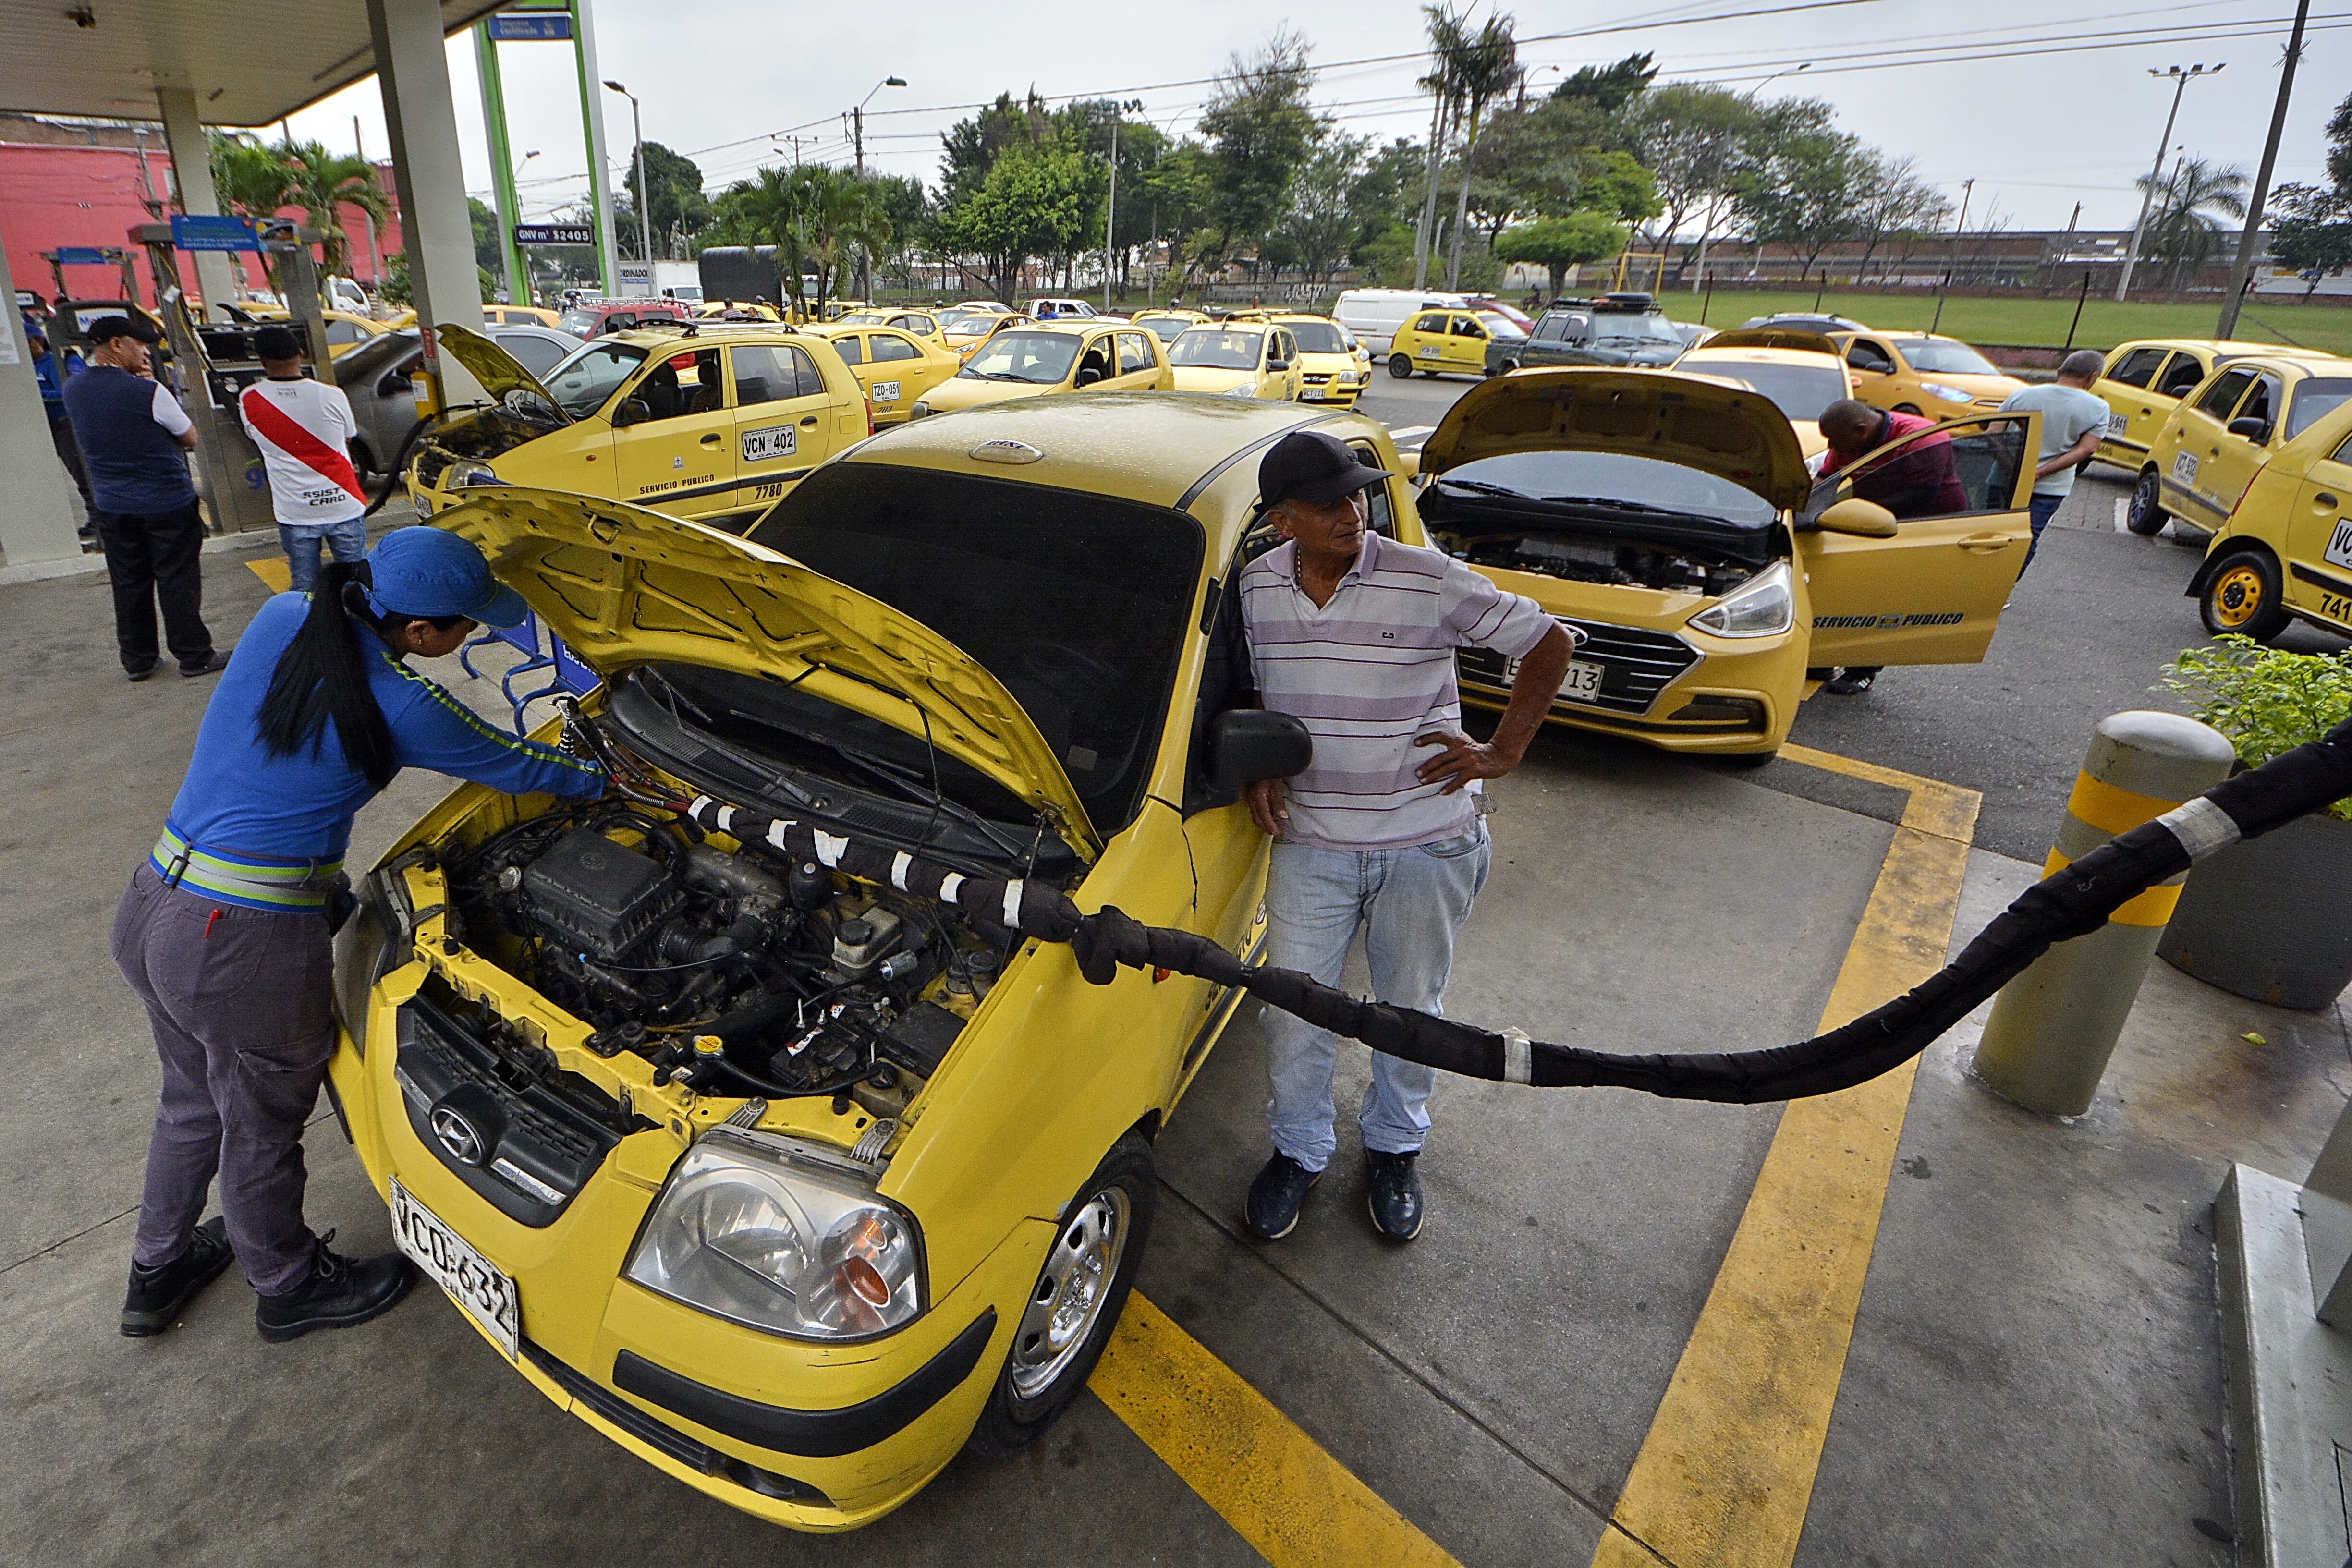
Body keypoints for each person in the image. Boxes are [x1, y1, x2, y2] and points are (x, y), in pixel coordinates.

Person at [115, 528, 606, 1342]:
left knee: (193, 1098)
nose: (470, 638)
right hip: (238, 941)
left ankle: (157, 1270)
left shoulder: (284, 615)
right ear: (419, 634)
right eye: (466, 626)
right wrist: (612, 781)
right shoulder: (406, 702)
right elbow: (520, 765)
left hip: (156, 902)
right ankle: (286, 1283)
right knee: (261, 1121)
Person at [1237, 430, 1574, 1244]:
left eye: (1356, 496)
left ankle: (1394, 1147)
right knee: (1293, 1012)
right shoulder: (1254, 588)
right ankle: (1300, 1151)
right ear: (1284, 523)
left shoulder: (1425, 579)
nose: (1352, 514)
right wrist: (1259, 761)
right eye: (1327, 504)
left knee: (1408, 1011)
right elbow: (1245, 688)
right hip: (1311, 841)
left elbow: (1549, 642)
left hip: (1426, 843)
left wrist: (1502, 751)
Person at [62, 316, 226, 681]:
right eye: (140, 343)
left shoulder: (73, 389)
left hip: (113, 506)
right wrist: (151, 390)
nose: (146, 351)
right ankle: (193, 655)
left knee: (128, 583)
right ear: (118, 344)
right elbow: (190, 437)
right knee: (177, 580)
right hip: (166, 503)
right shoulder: (149, 392)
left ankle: (138, 660)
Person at [1808, 398, 1969, 696]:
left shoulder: (1922, 438)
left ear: (1862, 430)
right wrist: (1807, 510)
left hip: (1923, 525)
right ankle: (1823, 657)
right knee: (1841, 589)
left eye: (1837, 440)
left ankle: (1863, 670)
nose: (1834, 447)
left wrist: (1853, 516)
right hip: (1869, 520)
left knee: (1886, 597)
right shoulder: (1848, 439)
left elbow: (1918, 496)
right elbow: (1826, 479)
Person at [238, 325, 369, 593]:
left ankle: (312, 633)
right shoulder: (332, 394)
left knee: (305, 587)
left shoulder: (249, 399)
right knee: (357, 583)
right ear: (301, 355)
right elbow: (348, 438)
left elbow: (258, 440)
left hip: (296, 510)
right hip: (343, 501)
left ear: (262, 361)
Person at [1996, 350, 2110, 571]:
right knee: (2028, 537)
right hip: (2051, 487)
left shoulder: (2020, 396)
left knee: (1991, 534)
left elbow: (1994, 434)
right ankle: (2004, 587)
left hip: (2004, 479)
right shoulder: (2098, 408)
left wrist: (2012, 467)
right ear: (2093, 377)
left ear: (2059, 371)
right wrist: (2039, 473)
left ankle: (1976, 586)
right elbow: (2087, 449)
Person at [27, 324, 93, 520]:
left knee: (80, 471)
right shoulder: (32, 365)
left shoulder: (52, 363)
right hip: (48, 426)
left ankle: (97, 519)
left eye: (28, 342)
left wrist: (39, 395)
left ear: (38, 341)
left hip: (65, 424)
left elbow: (65, 392)